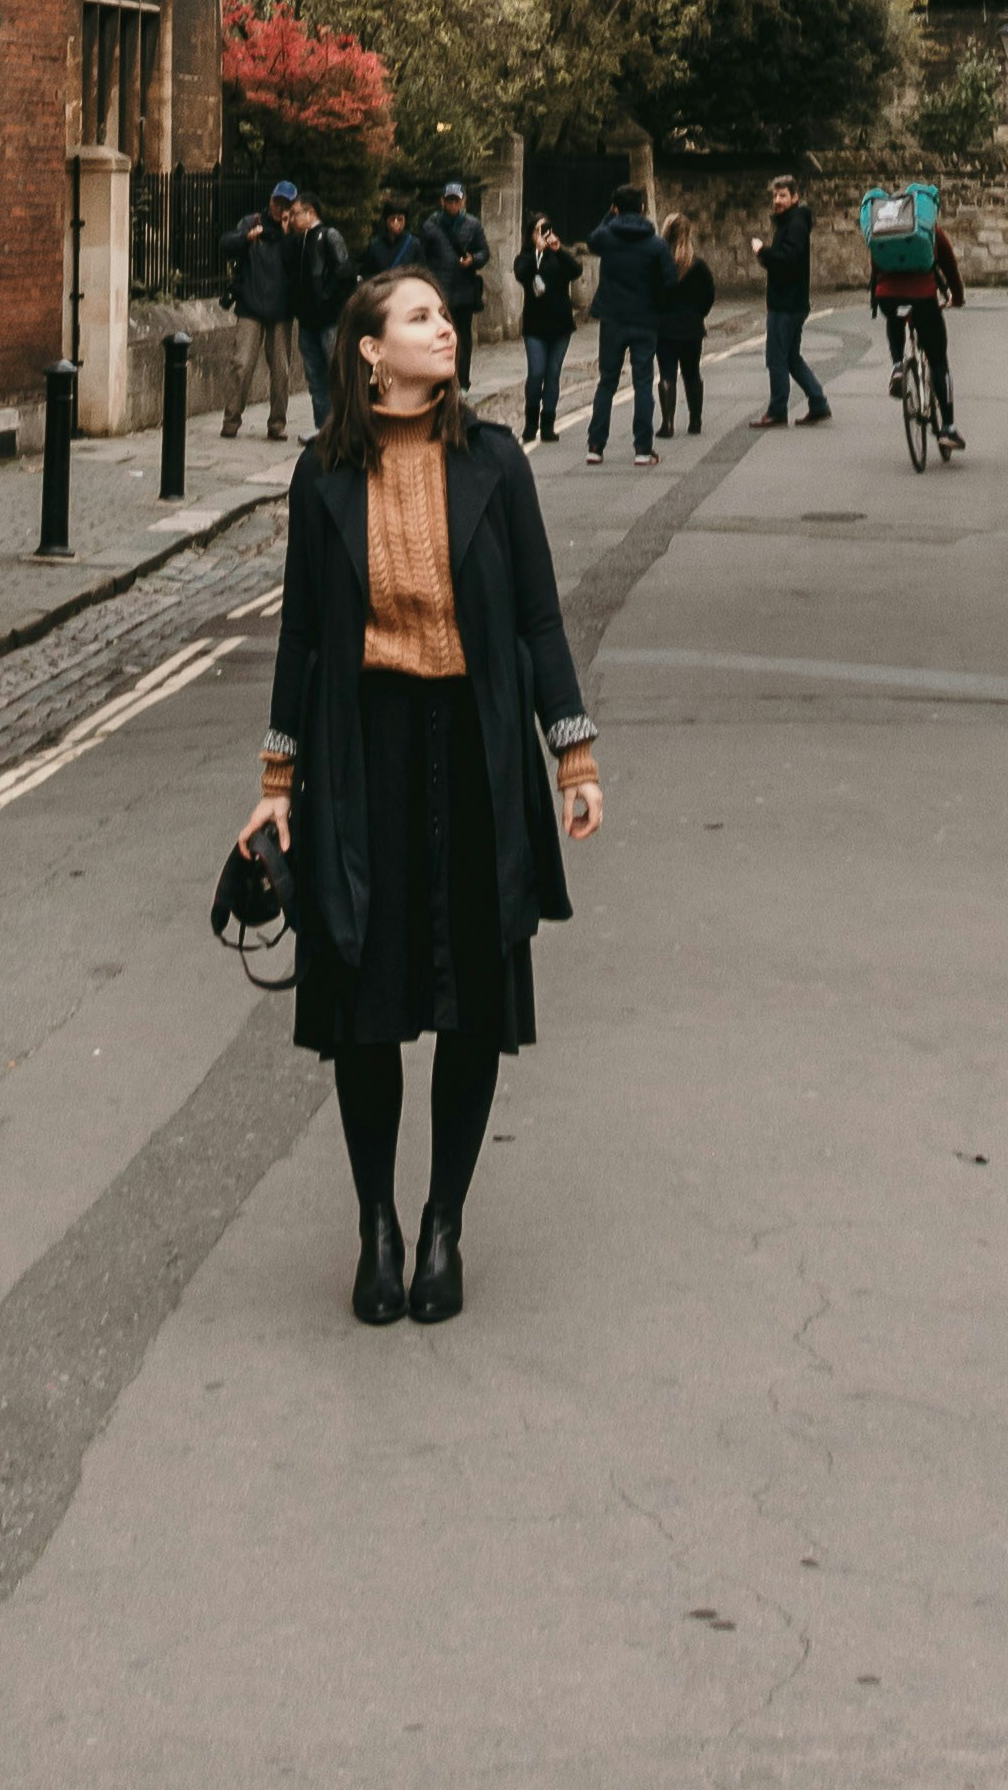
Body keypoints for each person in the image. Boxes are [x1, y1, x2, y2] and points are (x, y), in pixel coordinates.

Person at [240, 264, 604, 1327]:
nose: (444, 328)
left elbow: (538, 619)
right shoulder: (320, 478)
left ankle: (444, 1218)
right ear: (369, 350)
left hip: (477, 750)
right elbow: (302, 641)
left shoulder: (495, 463)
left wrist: (571, 754)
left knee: (471, 1005)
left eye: (445, 315)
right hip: (364, 755)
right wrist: (275, 784)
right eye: (418, 317)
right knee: (366, 1001)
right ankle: (377, 1224)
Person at [579, 186, 665, 465]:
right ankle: (642, 448)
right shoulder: (655, 244)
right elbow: (670, 281)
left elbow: (591, 240)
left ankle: (595, 445)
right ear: (643, 208)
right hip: (645, 319)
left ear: (615, 208)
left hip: (613, 319)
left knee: (607, 382)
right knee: (642, 383)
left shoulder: (607, 236)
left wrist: (611, 213)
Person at [872, 196, 966, 448]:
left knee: (894, 317)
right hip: (923, 298)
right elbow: (950, 267)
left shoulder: (886, 229)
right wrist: (956, 297)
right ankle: (948, 428)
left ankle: (897, 367)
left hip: (887, 297)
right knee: (938, 360)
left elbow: (876, 265)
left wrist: (879, 295)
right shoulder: (931, 231)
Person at [223, 188, 302, 442]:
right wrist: (247, 239)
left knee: (281, 370)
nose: (280, 209)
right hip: (251, 305)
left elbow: (299, 262)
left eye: (286, 205)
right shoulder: (251, 222)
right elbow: (226, 244)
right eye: (277, 202)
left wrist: (289, 233)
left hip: (281, 310)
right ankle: (231, 420)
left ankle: (277, 424)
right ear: (270, 200)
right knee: (241, 364)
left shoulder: (295, 233)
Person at [755, 175, 831, 426]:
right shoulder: (792, 222)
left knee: (776, 357)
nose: (777, 200)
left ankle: (777, 411)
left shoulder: (795, 224)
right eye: (775, 196)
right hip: (792, 301)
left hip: (786, 303)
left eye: (783, 195)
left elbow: (788, 261)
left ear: (795, 197)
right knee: (791, 358)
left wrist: (762, 252)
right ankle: (818, 402)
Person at [283, 185, 356, 430]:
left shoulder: (328, 235)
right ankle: (322, 427)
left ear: (310, 213)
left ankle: (342, 426)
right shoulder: (299, 241)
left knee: (335, 372)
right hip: (307, 320)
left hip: (328, 319)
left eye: (295, 213)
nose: (291, 218)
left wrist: (326, 299)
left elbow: (344, 273)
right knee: (315, 377)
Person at [512, 212, 582, 443]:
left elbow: (576, 270)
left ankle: (548, 423)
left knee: (553, 374)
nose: (544, 234)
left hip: (560, 324)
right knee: (536, 373)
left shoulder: (558, 255)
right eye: (539, 230)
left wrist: (557, 248)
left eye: (547, 228)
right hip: (535, 326)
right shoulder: (525, 258)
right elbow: (522, 274)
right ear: (531, 234)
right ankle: (531, 422)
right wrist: (538, 252)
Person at [420, 180, 492, 374]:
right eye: (449, 200)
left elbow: (484, 252)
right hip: (440, 290)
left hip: (464, 290)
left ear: (463, 201)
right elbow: (422, 258)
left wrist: (473, 259)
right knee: (438, 336)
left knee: (462, 338)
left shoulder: (473, 224)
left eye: (456, 201)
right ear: (442, 201)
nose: (453, 205)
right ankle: (440, 376)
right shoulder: (430, 225)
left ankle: (462, 380)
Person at [655, 214, 716, 438]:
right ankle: (695, 421)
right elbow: (709, 295)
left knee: (667, 374)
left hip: (665, 328)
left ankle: (668, 424)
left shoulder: (659, 265)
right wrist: (698, 314)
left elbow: (652, 294)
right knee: (692, 374)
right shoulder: (698, 265)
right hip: (691, 328)